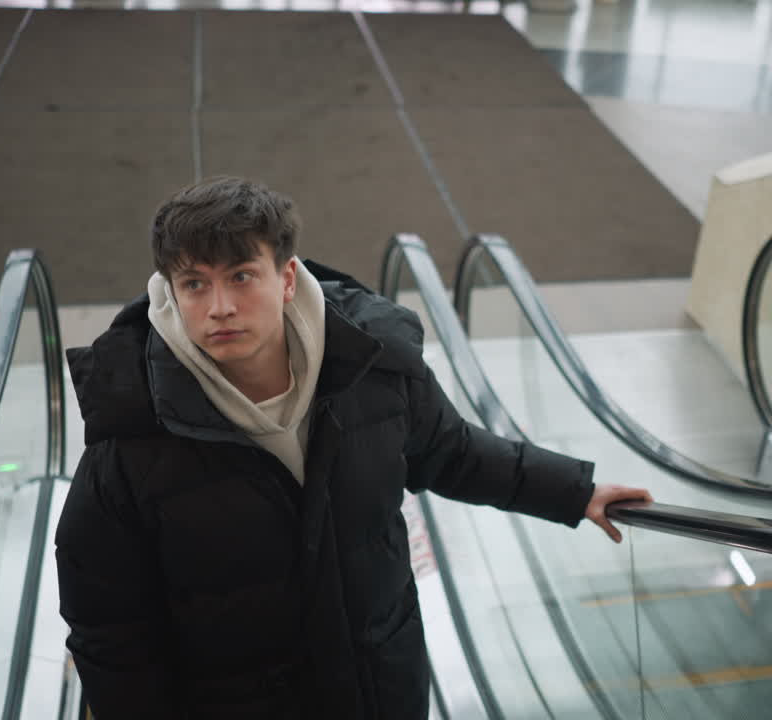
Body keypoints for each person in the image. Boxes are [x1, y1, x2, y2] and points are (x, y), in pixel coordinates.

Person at [55, 176, 653, 719]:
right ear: (171, 291)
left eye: (241, 276)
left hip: (376, 686)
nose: (220, 308)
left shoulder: (371, 365)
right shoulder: (132, 431)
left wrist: (576, 492)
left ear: (286, 279)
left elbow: (452, 452)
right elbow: (107, 624)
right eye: (194, 284)